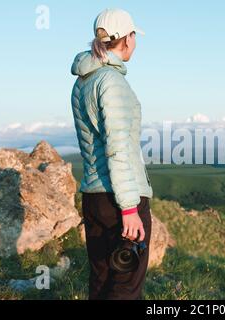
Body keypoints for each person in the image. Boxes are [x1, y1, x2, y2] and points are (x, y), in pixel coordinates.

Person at [70, 8, 153, 300]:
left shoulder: (82, 81)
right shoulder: (111, 82)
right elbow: (117, 148)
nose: (135, 42)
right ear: (127, 39)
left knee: (102, 281)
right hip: (120, 199)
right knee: (126, 288)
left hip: (94, 199)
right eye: (134, 35)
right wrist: (130, 208)